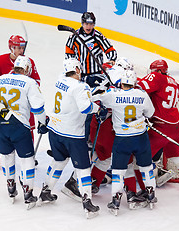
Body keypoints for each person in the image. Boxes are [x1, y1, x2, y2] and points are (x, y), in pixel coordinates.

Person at [62, 12, 118, 198]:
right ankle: (84, 136)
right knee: (83, 106)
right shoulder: (74, 38)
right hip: (82, 77)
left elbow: (112, 52)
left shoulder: (99, 36)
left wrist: (108, 62)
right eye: (86, 23)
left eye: (91, 23)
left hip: (98, 77)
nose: (88, 26)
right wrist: (77, 70)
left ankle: (93, 136)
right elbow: (68, 58)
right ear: (82, 23)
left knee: (101, 103)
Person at [39, 58, 103, 219]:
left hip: (55, 129)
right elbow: (85, 107)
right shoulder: (80, 86)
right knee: (83, 168)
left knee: (58, 162)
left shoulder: (60, 80)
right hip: (72, 134)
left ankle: (45, 192)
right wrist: (98, 109)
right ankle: (87, 202)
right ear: (76, 68)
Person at [0, 56, 48, 209]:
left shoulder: (1, 79)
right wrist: (42, 121)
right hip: (20, 127)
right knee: (27, 160)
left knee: (7, 157)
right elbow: (38, 108)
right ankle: (28, 193)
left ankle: (11, 187)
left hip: (0, 126)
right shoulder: (29, 82)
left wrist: (3, 112)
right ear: (26, 69)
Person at [93, 69, 156, 215]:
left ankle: (115, 201)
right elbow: (150, 113)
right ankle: (151, 195)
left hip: (122, 139)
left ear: (121, 82)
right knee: (146, 168)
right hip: (141, 137)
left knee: (118, 172)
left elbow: (93, 97)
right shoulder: (142, 95)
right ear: (134, 82)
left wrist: (102, 90)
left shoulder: (113, 95)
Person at [136, 59, 179, 194]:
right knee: (178, 155)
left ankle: (144, 188)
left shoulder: (157, 77)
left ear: (157, 71)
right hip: (175, 127)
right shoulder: (175, 82)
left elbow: (140, 86)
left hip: (160, 127)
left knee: (142, 158)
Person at [0, 35, 41, 166]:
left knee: (29, 127)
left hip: (23, 102)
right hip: (4, 103)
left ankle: (30, 154)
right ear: (11, 48)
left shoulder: (29, 62)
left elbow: (37, 81)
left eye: (22, 48)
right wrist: (3, 92)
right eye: (18, 48)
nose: (21, 51)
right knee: (0, 126)